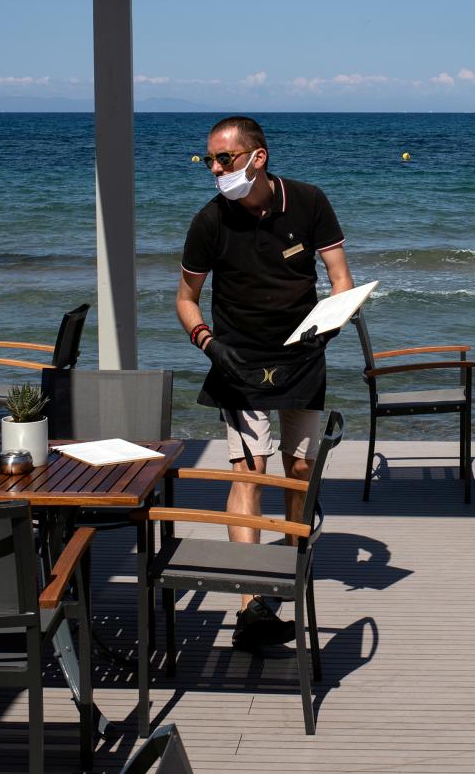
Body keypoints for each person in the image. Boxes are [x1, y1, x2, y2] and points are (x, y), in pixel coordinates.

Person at [175, 116, 353, 649]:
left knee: (299, 468)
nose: (213, 169)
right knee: (248, 473)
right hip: (237, 358)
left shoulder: (308, 201)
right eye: (208, 159)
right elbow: (185, 298)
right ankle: (251, 597)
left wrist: (332, 325)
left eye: (222, 159)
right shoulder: (209, 221)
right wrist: (209, 343)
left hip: (303, 352)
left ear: (258, 158)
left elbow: (340, 279)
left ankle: (292, 562)